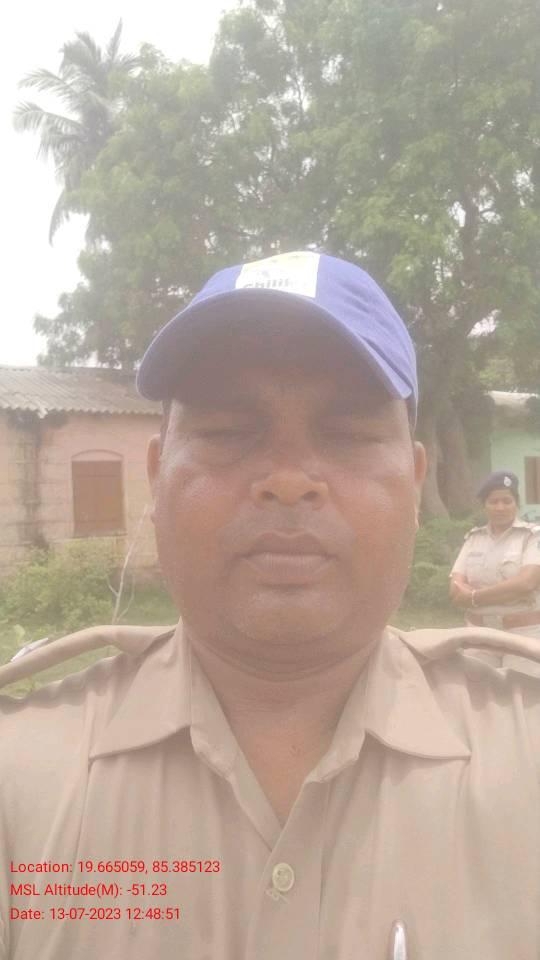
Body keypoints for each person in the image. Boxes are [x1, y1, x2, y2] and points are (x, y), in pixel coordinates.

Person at [2, 250, 540, 960]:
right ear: (158, 475)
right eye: (228, 431)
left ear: (414, 484)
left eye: (348, 434)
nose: (289, 480)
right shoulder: (19, 777)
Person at [450, 470, 540, 637]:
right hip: (477, 633)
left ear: (517, 504)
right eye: (493, 501)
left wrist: (474, 597)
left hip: (524, 634)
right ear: (484, 506)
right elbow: (456, 590)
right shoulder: (473, 538)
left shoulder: (533, 536)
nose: (500, 507)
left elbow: (526, 584)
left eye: (507, 501)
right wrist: (510, 592)